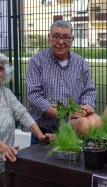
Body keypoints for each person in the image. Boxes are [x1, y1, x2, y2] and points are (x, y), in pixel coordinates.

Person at [26, 20, 101, 144]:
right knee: (39, 163)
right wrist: (65, 113)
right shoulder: (37, 61)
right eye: (56, 36)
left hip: (74, 133)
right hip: (43, 133)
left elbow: (89, 90)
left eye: (65, 37)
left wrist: (86, 106)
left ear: (72, 39)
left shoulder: (80, 62)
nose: (60, 42)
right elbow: (34, 97)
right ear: (49, 37)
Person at [0, 53, 55, 187]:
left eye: (0, 68)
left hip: (4, 163)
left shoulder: (5, 93)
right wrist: (1, 146)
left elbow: (23, 114)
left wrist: (41, 136)